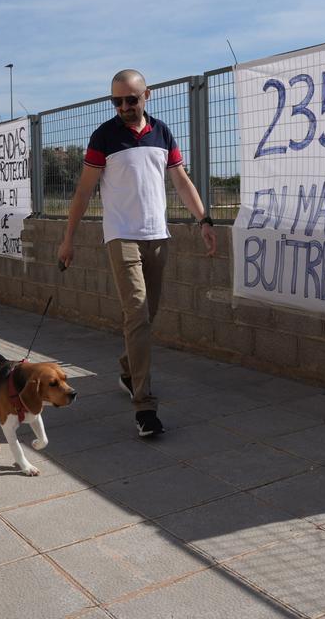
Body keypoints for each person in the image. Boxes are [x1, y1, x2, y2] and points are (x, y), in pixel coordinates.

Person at [57, 69, 217, 437]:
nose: (125, 107)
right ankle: (145, 408)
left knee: (147, 315)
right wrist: (69, 239)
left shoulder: (162, 133)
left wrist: (204, 219)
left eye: (131, 99)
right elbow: (83, 192)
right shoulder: (104, 137)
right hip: (121, 237)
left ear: (148, 95)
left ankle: (129, 370)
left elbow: (181, 180)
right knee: (138, 311)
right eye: (117, 101)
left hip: (157, 236)